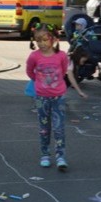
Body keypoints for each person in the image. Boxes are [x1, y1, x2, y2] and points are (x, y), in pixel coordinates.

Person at [26, 23, 87, 171]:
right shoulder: (34, 56)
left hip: (58, 97)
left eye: (45, 40)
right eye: (38, 40)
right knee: (44, 128)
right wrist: (40, 84)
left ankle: (60, 156)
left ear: (53, 39)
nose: (41, 43)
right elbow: (30, 72)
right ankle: (45, 155)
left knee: (59, 128)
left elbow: (64, 70)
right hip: (41, 97)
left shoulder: (61, 56)